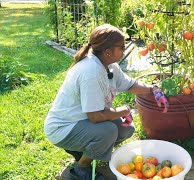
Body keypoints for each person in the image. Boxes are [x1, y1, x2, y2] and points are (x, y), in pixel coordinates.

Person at [44, 24, 168, 179]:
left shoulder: (109, 65)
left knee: (126, 127)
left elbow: (131, 84)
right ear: (108, 52)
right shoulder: (90, 71)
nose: (124, 50)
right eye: (122, 47)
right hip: (64, 128)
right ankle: (80, 169)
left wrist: (154, 89)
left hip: (82, 122)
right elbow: (95, 116)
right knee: (109, 131)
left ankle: (85, 151)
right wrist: (123, 111)